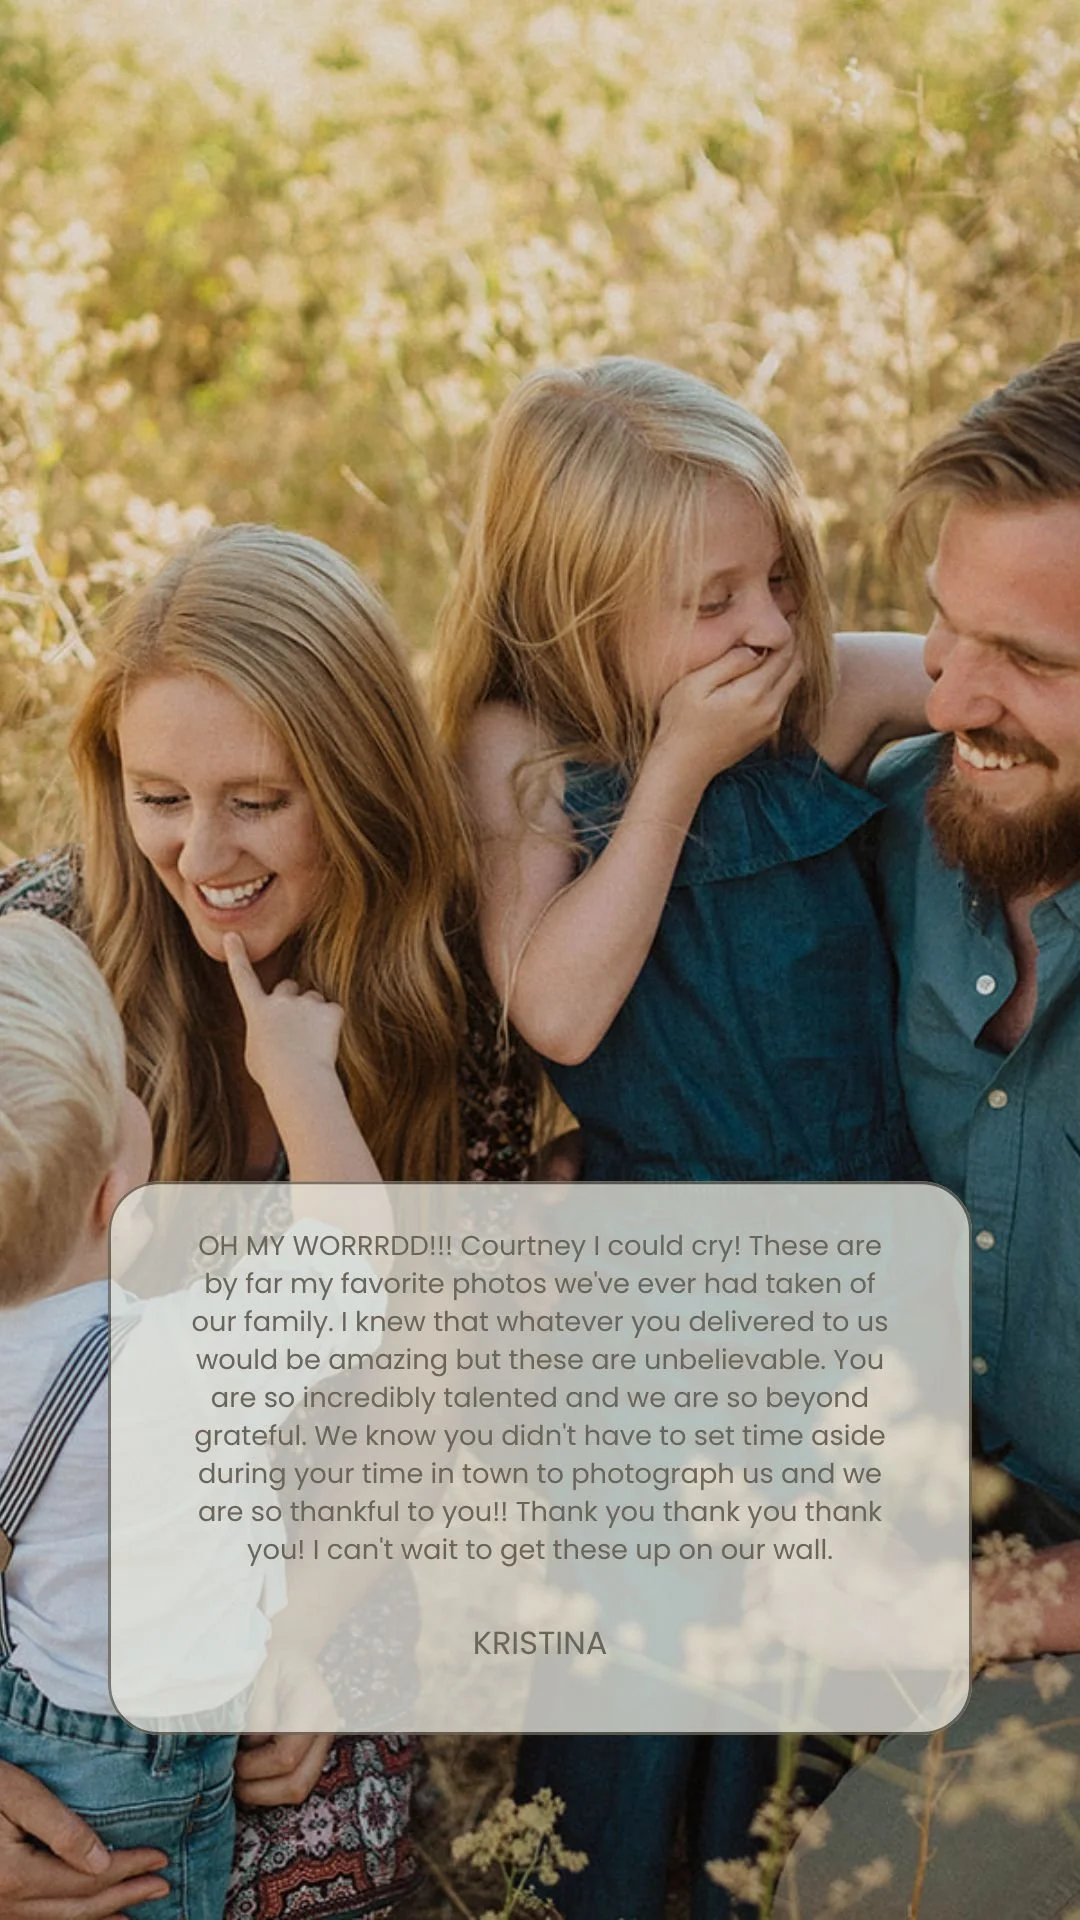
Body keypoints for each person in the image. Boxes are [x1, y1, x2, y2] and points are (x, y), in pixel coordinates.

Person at [433, 355, 933, 1919]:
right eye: (709, 600)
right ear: (585, 616)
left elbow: (994, 672)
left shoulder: (818, 690)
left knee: (826, 1739)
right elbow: (560, 1011)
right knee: (650, 1725)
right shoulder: (520, 754)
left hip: (868, 1299)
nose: (766, 626)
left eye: (777, 575)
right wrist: (668, 782)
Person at [0, 523, 534, 1920]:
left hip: (317, 1575)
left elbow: (419, 1400)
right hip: (41, 1621)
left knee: (294, 1849)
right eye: (159, 795)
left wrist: (296, 1646)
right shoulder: (45, 962)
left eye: (260, 800)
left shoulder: (448, 1012)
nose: (202, 855)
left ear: (354, 789)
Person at [774, 343, 1080, 1917]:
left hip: (1043, 1617)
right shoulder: (879, 830)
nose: (955, 697)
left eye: (1024, 658)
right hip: (885, 1552)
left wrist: (1012, 1606)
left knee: (879, 1897)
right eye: (941, 632)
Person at [0, 909, 383, 1920]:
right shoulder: (175, 1359)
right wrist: (298, 1076)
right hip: (142, 1766)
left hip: (24, 1717)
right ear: (115, 1192)